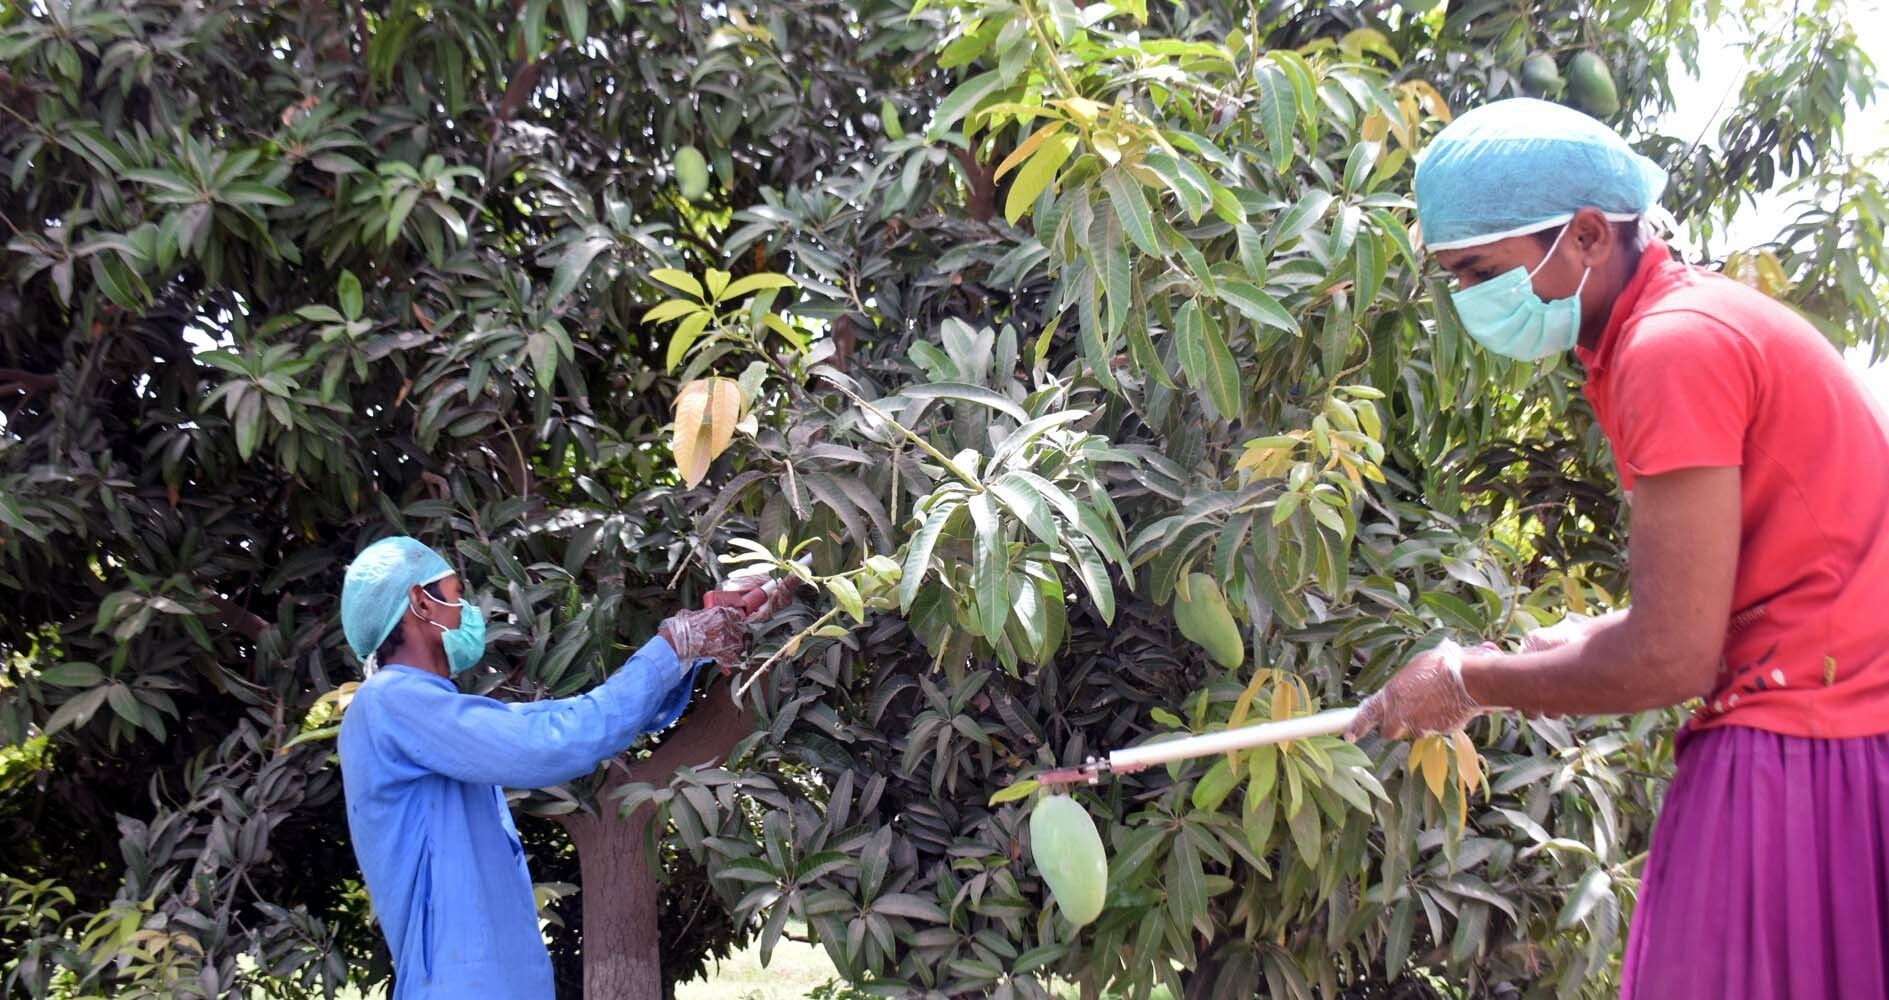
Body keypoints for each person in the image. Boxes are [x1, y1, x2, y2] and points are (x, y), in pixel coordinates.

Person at [1344, 98, 1889, 998]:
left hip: (1806, 747)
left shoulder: (1672, 349)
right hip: (1839, 726)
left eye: (1481, 270)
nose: (1472, 301)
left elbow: (1670, 656)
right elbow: (1761, 582)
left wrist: (1464, 681)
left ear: (1589, 234)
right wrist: (1592, 631)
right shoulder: (1679, 328)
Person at [335, 536, 789, 999]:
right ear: (419, 602)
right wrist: (673, 647)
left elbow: (570, 723)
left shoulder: (432, 715)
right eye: (454, 595)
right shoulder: (389, 703)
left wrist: (687, 651)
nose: (466, 611)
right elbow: (556, 740)